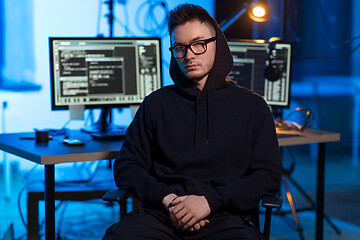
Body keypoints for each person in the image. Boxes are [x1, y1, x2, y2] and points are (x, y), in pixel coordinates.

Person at [103, 3, 282, 240]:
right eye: (180, 47)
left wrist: (209, 202)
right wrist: (168, 200)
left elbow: (267, 176)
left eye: (198, 44)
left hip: (226, 217)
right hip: (161, 214)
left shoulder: (253, 107)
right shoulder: (155, 105)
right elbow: (127, 168)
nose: (188, 55)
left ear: (217, 43)